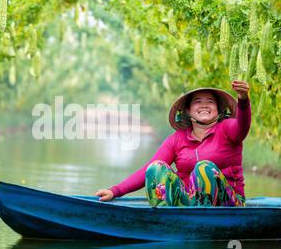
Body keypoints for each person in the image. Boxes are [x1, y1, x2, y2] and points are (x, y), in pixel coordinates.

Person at [95, 80, 251, 207]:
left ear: (218, 110)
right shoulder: (176, 139)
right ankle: (167, 220)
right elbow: (147, 170)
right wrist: (115, 191)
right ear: (188, 111)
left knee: (203, 168)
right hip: (189, 204)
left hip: (228, 205)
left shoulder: (227, 128)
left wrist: (243, 100)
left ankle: (205, 220)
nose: (204, 105)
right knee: (156, 168)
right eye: (198, 102)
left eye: (210, 102)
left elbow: (242, 126)